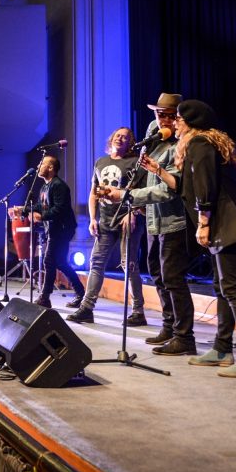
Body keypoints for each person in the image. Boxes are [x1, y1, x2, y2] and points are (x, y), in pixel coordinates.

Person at [138, 100, 236, 374]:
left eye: (179, 119)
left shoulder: (200, 144)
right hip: (227, 225)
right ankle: (222, 349)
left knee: (233, 291)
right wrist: (158, 171)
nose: (174, 123)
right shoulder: (199, 144)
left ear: (190, 123)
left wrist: (204, 222)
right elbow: (185, 186)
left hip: (230, 225)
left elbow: (206, 187)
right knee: (222, 289)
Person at [108, 93, 196, 348]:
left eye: (169, 115)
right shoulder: (153, 134)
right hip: (153, 222)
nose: (163, 120)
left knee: (172, 278)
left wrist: (129, 196)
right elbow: (145, 175)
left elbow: (169, 189)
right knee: (157, 273)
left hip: (174, 220)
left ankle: (184, 336)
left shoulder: (180, 143)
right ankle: (169, 327)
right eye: (159, 114)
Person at [67, 127, 147, 324]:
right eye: (118, 135)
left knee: (129, 265)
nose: (121, 139)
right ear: (111, 139)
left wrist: (133, 212)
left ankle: (138, 312)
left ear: (130, 143)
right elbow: (94, 193)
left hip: (128, 220)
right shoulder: (100, 162)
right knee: (96, 263)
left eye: (126, 137)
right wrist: (93, 219)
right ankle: (86, 308)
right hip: (105, 221)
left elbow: (144, 192)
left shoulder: (135, 163)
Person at [18, 155, 84, 308]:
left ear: (50, 168)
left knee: (49, 261)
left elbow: (59, 209)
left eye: (42, 163)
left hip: (62, 229)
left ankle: (45, 297)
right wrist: (23, 210)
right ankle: (80, 293)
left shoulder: (59, 185)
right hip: (53, 229)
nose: (39, 165)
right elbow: (42, 207)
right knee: (60, 262)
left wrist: (41, 217)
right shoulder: (44, 187)